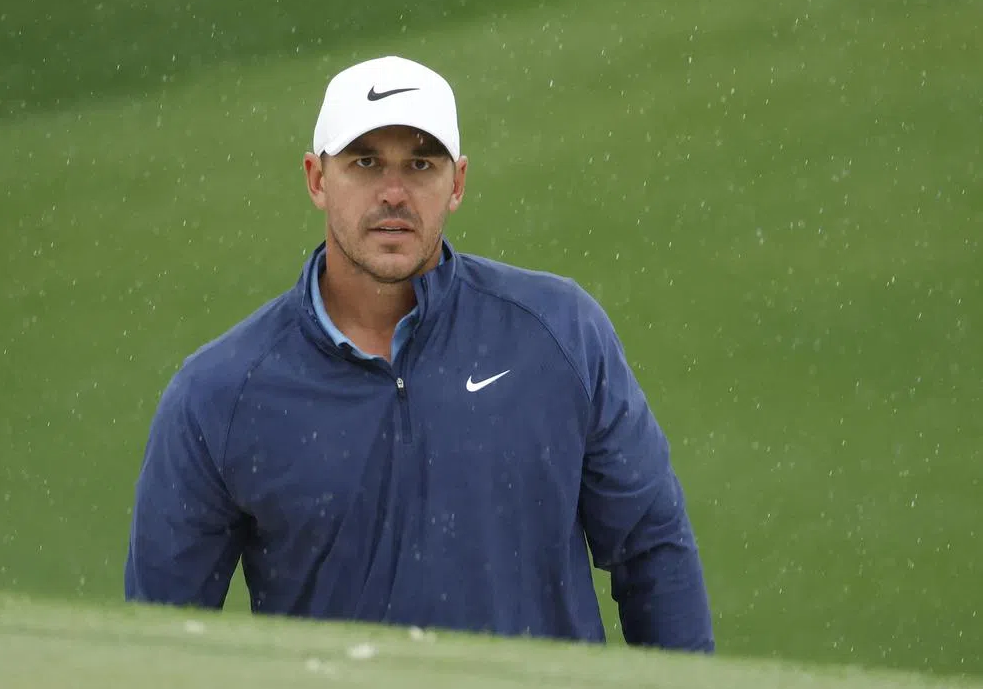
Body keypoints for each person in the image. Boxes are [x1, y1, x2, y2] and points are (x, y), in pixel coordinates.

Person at [124, 55, 715, 652]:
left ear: (456, 183)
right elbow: (159, 639)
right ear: (316, 179)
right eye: (365, 162)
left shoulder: (561, 332)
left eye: (421, 164)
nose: (394, 193)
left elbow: (651, 550)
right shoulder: (219, 394)